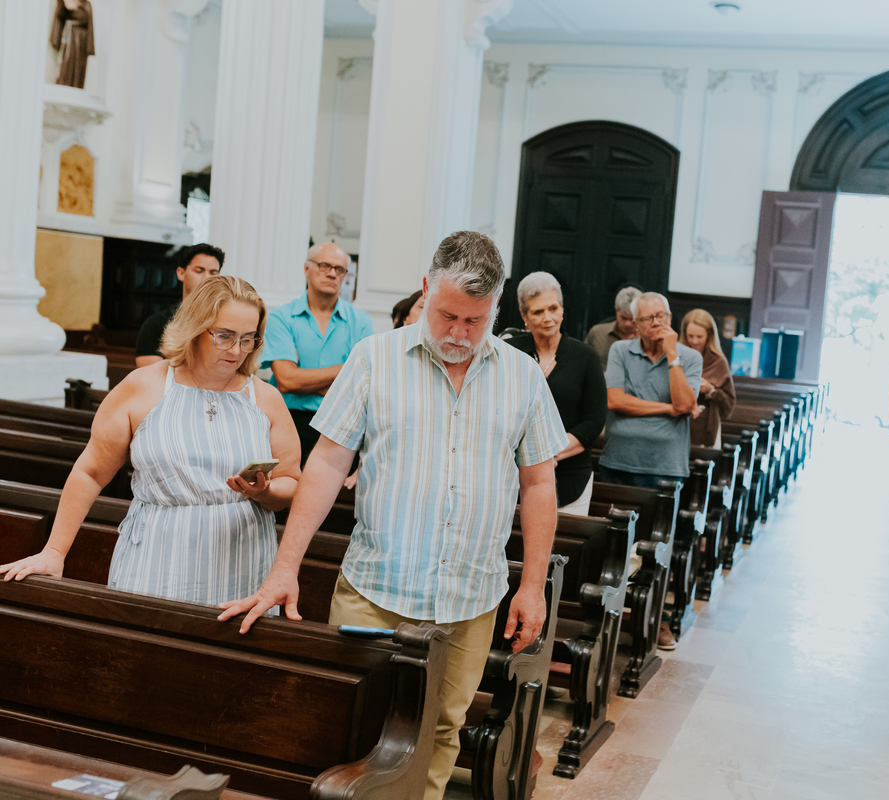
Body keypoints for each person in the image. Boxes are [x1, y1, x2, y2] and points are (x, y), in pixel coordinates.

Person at [217, 231, 567, 800]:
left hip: (471, 595)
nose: (458, 334)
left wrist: (532, 585)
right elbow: (327, 464)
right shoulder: (374, 359)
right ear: (426, 289)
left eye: (474, 321)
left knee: (443, 731)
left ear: (497, 308)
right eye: (448, 314)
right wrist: (285, 568)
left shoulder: (522, 375)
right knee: (358, 730)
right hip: (375, 589)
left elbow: (539, 482)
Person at [1, 277, 302, 608]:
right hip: (157, 557)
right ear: (194, 327)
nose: (236, 350)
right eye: (224, 336)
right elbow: (90, 473)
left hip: (243, 564)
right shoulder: (143, 387)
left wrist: (266, 492)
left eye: (248, 339)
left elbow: (291, 482)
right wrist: (54, 552)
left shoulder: (266, 399)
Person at [261, 243, 374, 466]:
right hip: (290, 421)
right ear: (307, 269)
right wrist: (347, 369)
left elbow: (364, 384)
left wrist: (304, 378)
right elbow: (286, 380)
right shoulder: (281, 318)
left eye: (340, 269)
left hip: (341, 424)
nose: (332, 273)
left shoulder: (360, 322)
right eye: (324, 266)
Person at [507, 272, 607, 515]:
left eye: (553, 308)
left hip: (571, 477)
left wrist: (548, 454)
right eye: (538, 312)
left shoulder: (586, 357)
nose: (548, 318)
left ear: (562, 310)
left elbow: (593, 421)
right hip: (513, 476)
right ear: (524, 316)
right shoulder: (511, 353)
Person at [598, 291, 702, 489]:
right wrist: (668, 409)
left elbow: (685, 404)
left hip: (665, 464)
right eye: (647, 318)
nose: (656, 322)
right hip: (618, 460)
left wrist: (672, 355)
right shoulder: (620, 350)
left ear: (670, 317)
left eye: (661, 316)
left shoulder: (691, 357)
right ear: (636, 324)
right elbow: (615, 401)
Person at [134, 243, 225, 368]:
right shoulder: (156, 325)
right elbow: (151, 378)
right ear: (181, 273)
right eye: (199, 271)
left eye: (213, 273)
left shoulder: (225, 322)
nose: (207, 278)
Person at [680, 308, 736, 448]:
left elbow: (729, 404)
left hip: (704, 429)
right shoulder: (677, 355)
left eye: (699, 337)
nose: (694, 341)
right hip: (678, 423)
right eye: (690, 336)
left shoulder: (718, 361)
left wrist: (711, 390)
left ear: (709, 336)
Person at [585, 285, 642, 371]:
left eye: (632, 319)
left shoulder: (648, 338)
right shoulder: (597, 333)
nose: (627, 324)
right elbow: (582, 364)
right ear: (616, 310)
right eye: (623, 318)